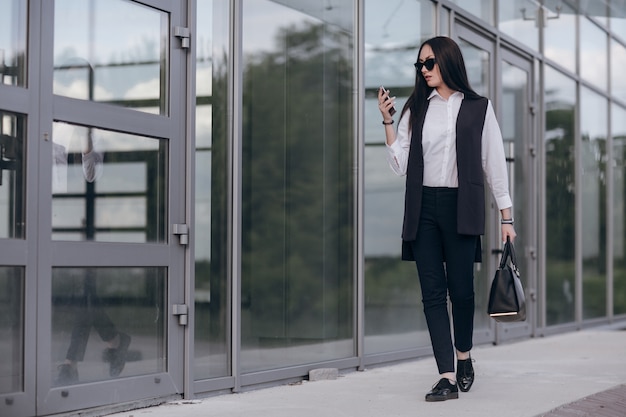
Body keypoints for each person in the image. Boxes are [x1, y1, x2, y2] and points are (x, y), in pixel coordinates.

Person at [378, 36, 516, 402]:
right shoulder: (415, 109)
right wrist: (388, 121)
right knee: (433, 295)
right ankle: (446, 375)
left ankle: (464, 355)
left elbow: (494, 163)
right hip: (423, 208)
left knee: (462, 291)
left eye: (429, 63)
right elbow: (400, 165)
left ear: (447, 62)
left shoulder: (477, 108)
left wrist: (506, 217)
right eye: (419, 65)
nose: (423, 70)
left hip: (461, 206)